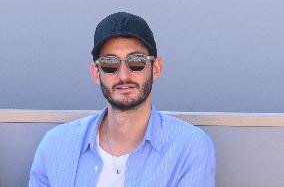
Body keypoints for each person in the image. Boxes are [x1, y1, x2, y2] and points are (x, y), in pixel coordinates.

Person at [29, 12, 216, 187]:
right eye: (110, 63)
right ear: (96, 73)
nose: (123, 75)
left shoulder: (189, 147)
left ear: (156, 68)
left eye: (136, 61)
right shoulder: (56, 144)